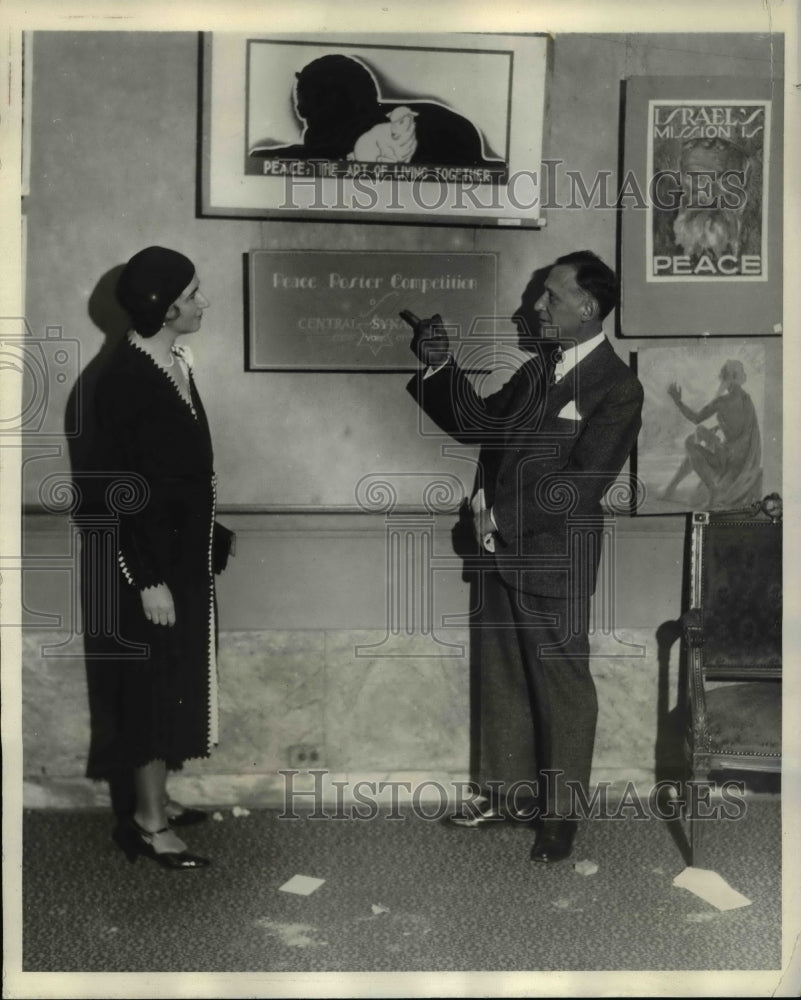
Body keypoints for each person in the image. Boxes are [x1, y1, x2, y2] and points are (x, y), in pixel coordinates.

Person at [406, 251, 644, 862]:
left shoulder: (618, 387)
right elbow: (477, 420)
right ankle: (508, 797)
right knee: (505, 674)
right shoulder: (540, 370)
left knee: (562, 688)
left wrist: (499, 520)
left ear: (587, 308)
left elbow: (581, 484)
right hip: (500, 552)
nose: (535, 307)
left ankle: (561, 818)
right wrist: (439, 364)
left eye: (550, 298)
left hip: (551, 559)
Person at [93, 246, 234, 870]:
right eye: (194, 293)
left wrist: (210, 532)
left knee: (173, 678)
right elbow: (116, 491)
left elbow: (178, 471)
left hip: (180, 555)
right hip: (147, 563)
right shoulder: (122, 378)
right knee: (150, 686)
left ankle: (160, 800)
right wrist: (146, 579)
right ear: (164, 305)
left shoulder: (173, 361)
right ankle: (148, 826)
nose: (203, 302)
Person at [248, 53, 502, 170]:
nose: (300, 109)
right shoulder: (351, 126)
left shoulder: (352, 132)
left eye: (304, 98)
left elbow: (323, 153)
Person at [662, 359, 762, 508]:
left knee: (690, 444)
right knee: (697, 437)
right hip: (743, 459)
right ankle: (671, 488)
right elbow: (739, 428)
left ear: (729, 378)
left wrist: (678, 402)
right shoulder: (747, 400)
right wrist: (719, 427)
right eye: (743, 372)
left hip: (728, 460)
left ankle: (713, 491)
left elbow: (696, 418)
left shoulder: (721, 402)